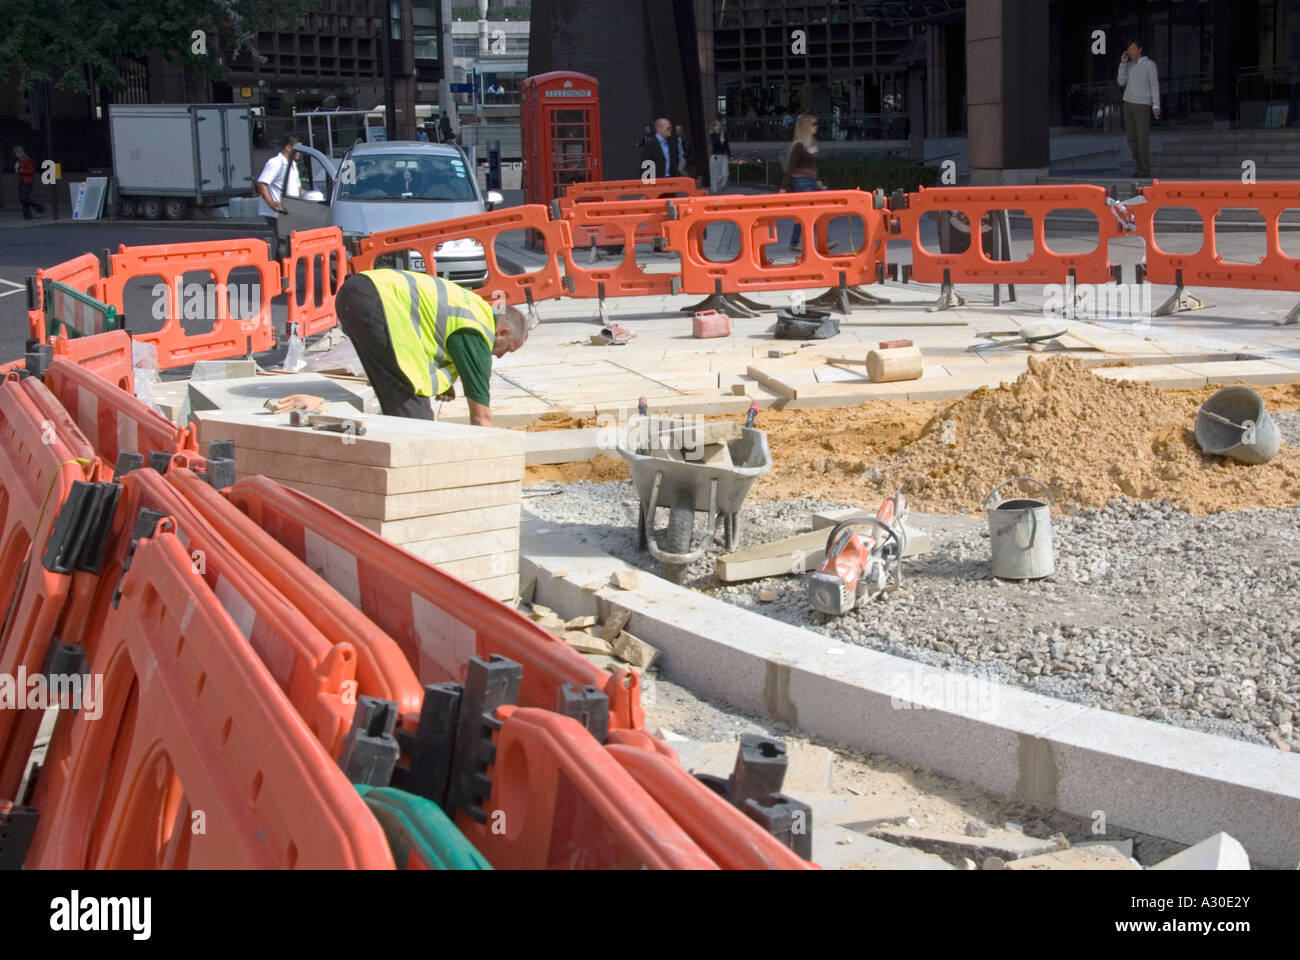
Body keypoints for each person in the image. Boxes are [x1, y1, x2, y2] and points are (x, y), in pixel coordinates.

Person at [334, 268, 529, 426]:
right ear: (501, 332)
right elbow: (481, 416)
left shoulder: (477, 312)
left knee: (395, 391)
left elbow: (433, 336)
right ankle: (412, 459)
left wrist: (443, 383)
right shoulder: (478, 333)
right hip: (375, 300)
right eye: (508, 349)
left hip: (357, 292)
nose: (501, 356)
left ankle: (395, 449)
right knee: (416, 417)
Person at [780, 115, 831, 252]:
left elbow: (813, 165)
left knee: (805, 213)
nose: (816, 126)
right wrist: (784, 187)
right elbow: (790, 166)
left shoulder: (812, 143)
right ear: (805, 127)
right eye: (813, 124)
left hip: (811, 181)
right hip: (801, 181)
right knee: (812, 210)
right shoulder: (799, 145)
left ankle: (794, 242)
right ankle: (824, 241)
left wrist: (818, 180)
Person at [1118, 39, 1160, 178]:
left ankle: (1145, 169)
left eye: (1133, 49)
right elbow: (1121, 81)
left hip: (1142, 105)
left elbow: (1154, 85)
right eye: (1129, 49)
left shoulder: (1150, 65)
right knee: (1131, 138)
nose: (1130, 52)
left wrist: (1156, 104)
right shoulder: (1129, 66)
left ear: (1140, 49)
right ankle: (1137, 166)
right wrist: (1122, 64)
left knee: (1142, 138)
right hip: (1128, 103)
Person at [256, 135, 301, 259]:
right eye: (298, 150)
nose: (300, 154)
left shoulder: (292, 165)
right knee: (283, 240)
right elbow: (262, 183)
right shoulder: (276, 163)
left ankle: (282, 269)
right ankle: (278, 268)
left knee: (287, 241)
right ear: (288, 148)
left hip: (288, 209)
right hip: (276, 212)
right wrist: (272, 204)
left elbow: (295, 187)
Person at [13, 147, 44, 219]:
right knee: (22, 198)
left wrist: (22, 171)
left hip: (28, 181)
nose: (15, 154)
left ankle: (39, 208)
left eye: (16, 153)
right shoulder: (19, 161)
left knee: (24, 198)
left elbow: (31, 171)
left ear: (20, 153)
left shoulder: (27, 160)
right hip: (21, 180)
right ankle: (27, 215)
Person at [708, 121, 731, 194]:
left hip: (724, 155)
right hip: (716, 156)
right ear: (714, 127)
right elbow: (715, 144)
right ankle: (715, 190)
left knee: (725, 174)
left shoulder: (724, 134)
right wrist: (719, 137)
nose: (718, 126)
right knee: (715, 174)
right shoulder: (712, 134)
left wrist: (730, 155)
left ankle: (721, 188)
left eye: (719, 125)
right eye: (716, 125)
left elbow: (727, 145)